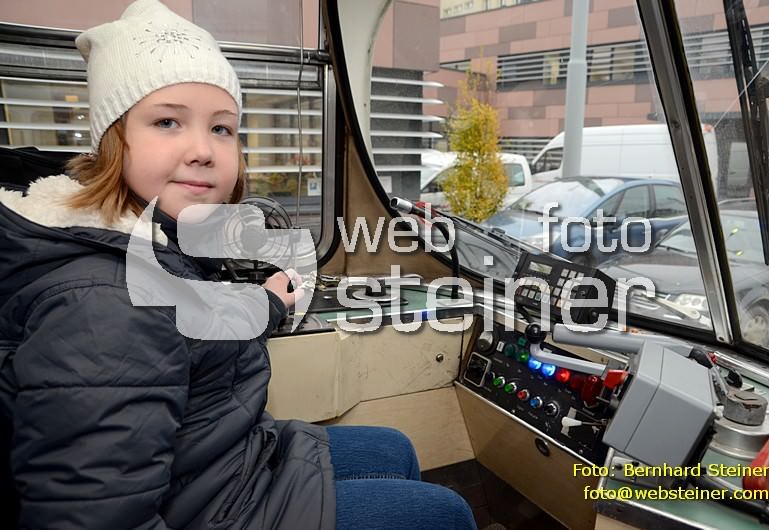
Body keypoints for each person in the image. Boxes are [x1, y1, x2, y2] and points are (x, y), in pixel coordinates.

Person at [0, 1, 477, 528]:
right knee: (446, 514)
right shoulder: (105, 300)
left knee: (393, 448)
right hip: (212, 507)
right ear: (111, 140)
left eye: (222, 128)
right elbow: (94, 516)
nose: (203, 150)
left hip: (218, 466)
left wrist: (269, 302)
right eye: (167, 121)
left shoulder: (149, 241)